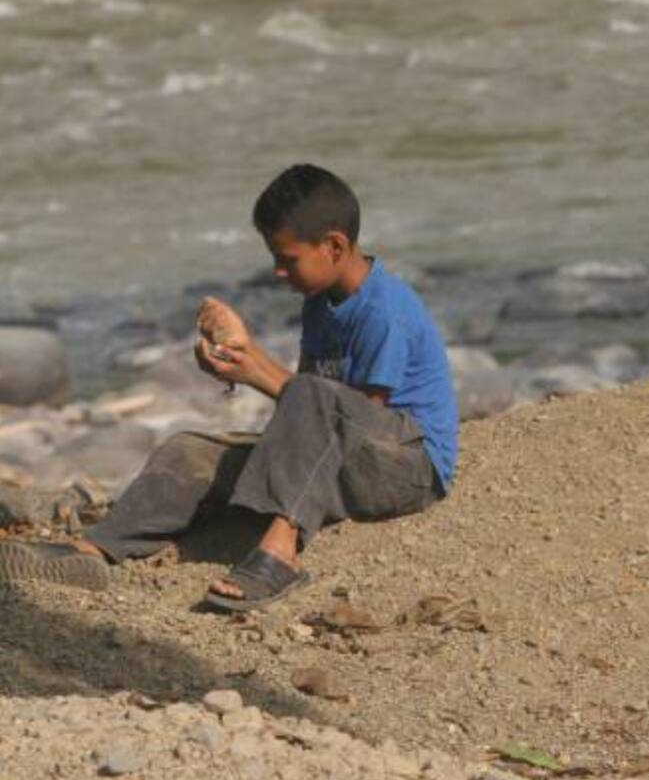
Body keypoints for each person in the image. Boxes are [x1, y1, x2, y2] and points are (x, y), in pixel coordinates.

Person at [0, 164, 457, 610]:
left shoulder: (384, 310)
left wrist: (255, 367)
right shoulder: (320, 304)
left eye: (288, 259)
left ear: (334, 245)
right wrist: (240, 362)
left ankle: (281, 553)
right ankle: (95, 552)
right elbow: (306, 405)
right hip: (337, 456)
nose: (278, 272)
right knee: (189, 450)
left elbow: (352, 418)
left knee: (314, 396)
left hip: (407, 469)